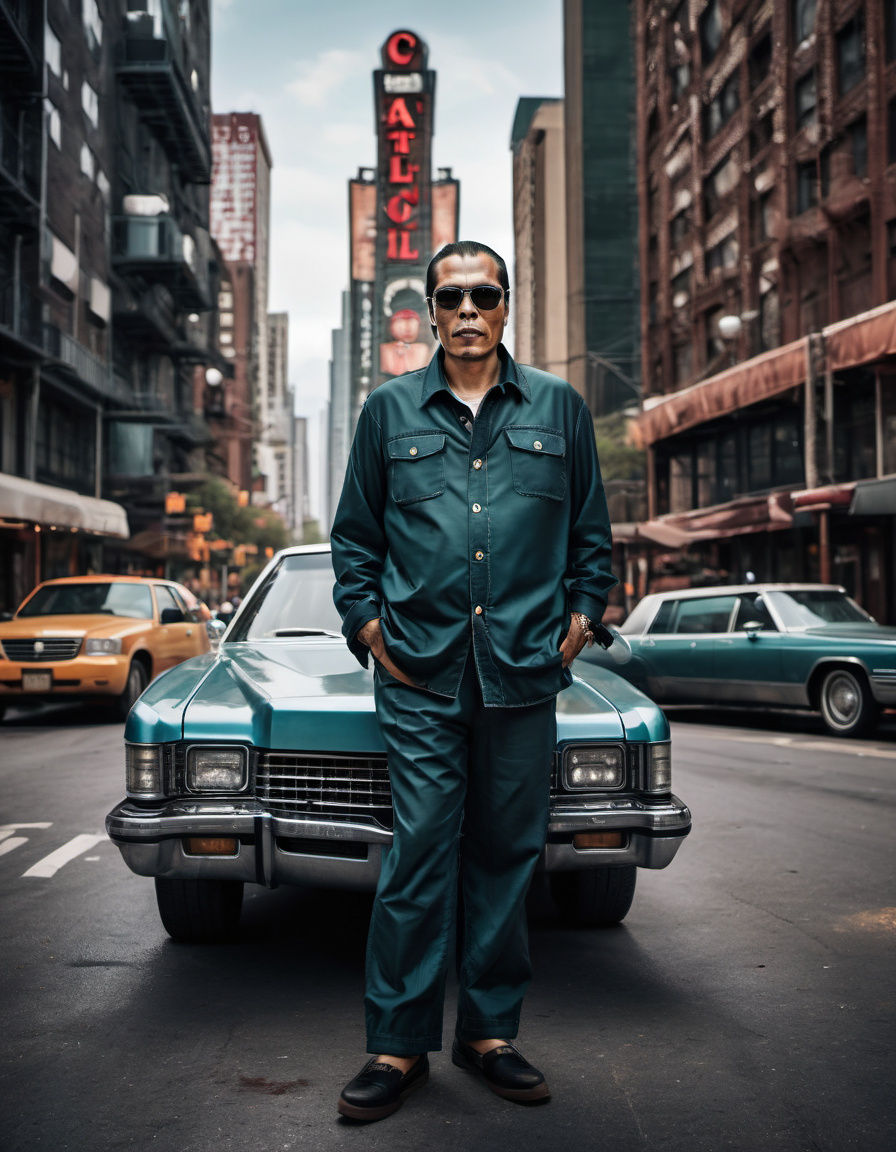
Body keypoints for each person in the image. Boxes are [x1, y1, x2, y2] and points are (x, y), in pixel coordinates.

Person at [330, 240, 616, 1122]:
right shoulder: (387, 413)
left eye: (481, 295)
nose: (465, 311)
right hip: (419, 674)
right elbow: (355, 544)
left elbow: (592, 542)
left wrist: (575, 626)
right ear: (426, 308)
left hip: (525, 673)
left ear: (504, 307)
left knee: (506, 857)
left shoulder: (560, 410)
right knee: (418, 854)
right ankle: (397, 1045)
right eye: (448, 296)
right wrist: (370, 627)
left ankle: (489, 1034)